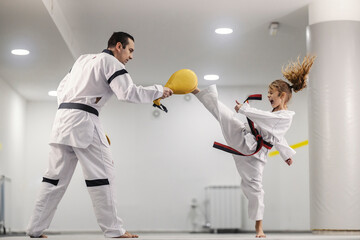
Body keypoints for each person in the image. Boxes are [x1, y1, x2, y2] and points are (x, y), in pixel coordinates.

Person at [26, 32, 173, 238]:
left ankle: (35, 229)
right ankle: (114, 230)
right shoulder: (111, 62)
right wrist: (159, 91)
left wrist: (72, 108)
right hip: (84, 121)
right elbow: (127, 93)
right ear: (118, 46)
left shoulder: (82, 60)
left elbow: (62, 88)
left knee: (53, 179)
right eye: (130, 50)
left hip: (61, 121)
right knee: (103, 176)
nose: (131, 56)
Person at [191, 56, 315, 238]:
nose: (268, 96)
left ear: (282, 95)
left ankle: (259, 228)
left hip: (254, 156)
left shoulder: (285, 116)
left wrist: (244, 109)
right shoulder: (274, 114)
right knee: (225, 116)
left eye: (272, 93)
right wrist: (285, 154)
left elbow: (274, 132)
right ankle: (196, 91)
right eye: (268, 92)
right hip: (244, 139)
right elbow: (277, 136)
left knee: (255, 190)